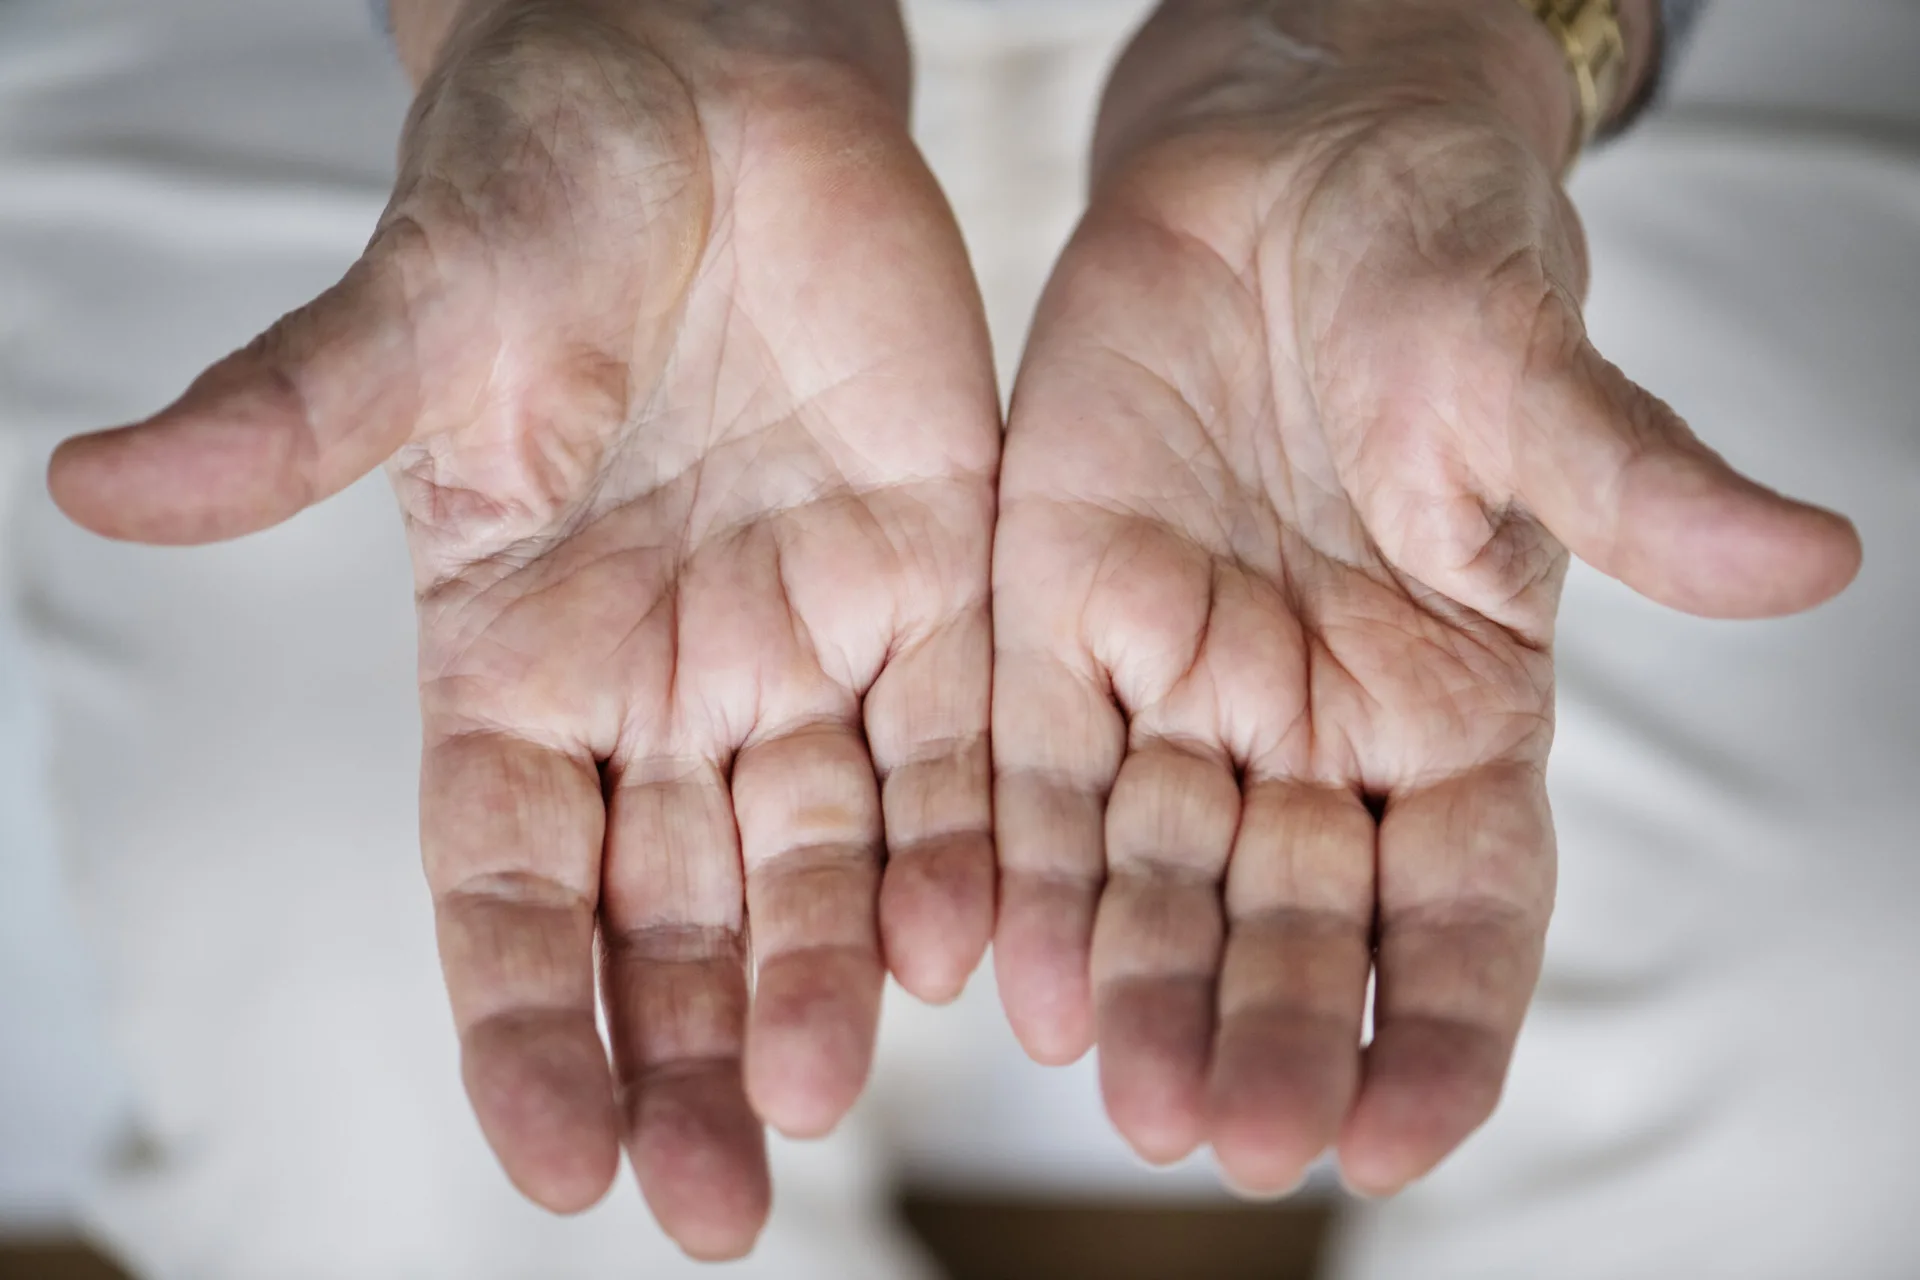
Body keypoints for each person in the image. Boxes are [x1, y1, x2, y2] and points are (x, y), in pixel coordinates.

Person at [8, 0, 1887, 1272]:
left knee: (1848, 1003)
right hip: (485, 63)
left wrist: (1442, 37)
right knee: (363, 1051)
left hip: (1476, 77)